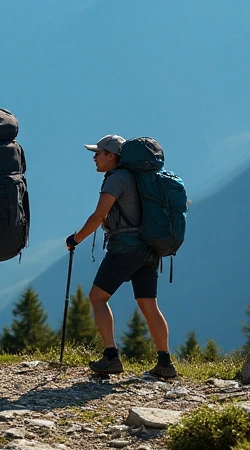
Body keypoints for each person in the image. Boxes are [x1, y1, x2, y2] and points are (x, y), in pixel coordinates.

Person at [66, 135, 178, 380]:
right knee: (148, 304)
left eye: (99, 152)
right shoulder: (139, 179)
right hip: (149, 249)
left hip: (126, 248)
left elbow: (98, 216)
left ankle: (111, 356)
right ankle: (165, 363)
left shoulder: (116, 179)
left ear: (112, 156)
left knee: (97, 297)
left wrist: (75, 239)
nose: (94, 157)